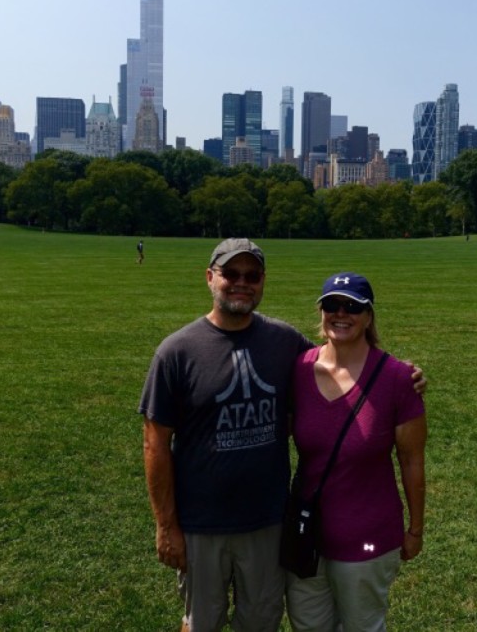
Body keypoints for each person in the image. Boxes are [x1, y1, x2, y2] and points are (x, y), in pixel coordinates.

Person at [139, 240, 424, 632]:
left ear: (263, 282)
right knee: (201, 622)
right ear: (210, 277)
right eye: (231, 274)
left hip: (269, 522)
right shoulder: (176, 352)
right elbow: (155, 444)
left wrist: (400, 372)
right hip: (202, 522)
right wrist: (166, 525)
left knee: (261, 621)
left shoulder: (283, 341)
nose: (242, 283)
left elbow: (343, 356)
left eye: (252, 276)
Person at [286, 272, 427, 632]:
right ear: (320, 312)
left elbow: (411, 460)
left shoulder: (397, 378)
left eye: (352, 306)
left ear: (368, 316)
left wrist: (415, 528)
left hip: (368, 538)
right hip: (307, 535)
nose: (341, 314)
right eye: (332, 305)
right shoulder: (299, 370)